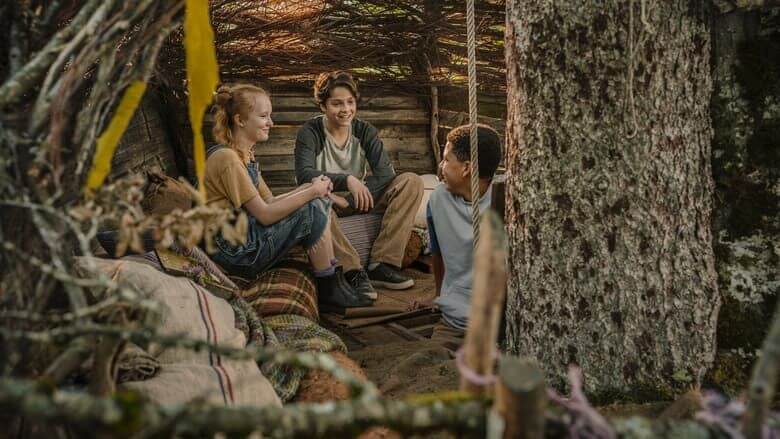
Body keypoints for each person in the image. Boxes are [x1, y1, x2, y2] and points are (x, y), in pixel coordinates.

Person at [204, 83, 372, 308]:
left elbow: (270, 200)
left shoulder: (245, 156)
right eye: (263, 116)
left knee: (315, 198)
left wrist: (308, 189)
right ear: (240, 120)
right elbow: (265, 214)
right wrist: (312, 192)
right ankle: (329, 286)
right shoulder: (228, 159)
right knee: (312, 206)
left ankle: (333, 281)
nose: (271, 123)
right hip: (235, 252)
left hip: (245, 238)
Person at [294, 71, 424, 298]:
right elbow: (305, 174)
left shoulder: (364, 130)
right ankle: (352, 271)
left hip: (357, 200)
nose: (345, 109)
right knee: (315, 200)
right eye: (337, 103)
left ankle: (382, 264)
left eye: (350, 102)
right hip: (327, 201)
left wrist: (350, 200)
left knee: (411, 181)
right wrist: (347, 180)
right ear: (323, 106)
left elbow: (385, 174)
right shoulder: (310, 132)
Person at [423, 124, 502, 351]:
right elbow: (438, 254)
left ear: (467, 167)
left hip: (501, 324)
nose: (441, 166)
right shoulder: (438, 199)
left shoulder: (506, 198)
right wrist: (440, 296)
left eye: (446, 160)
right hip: (456, 322)